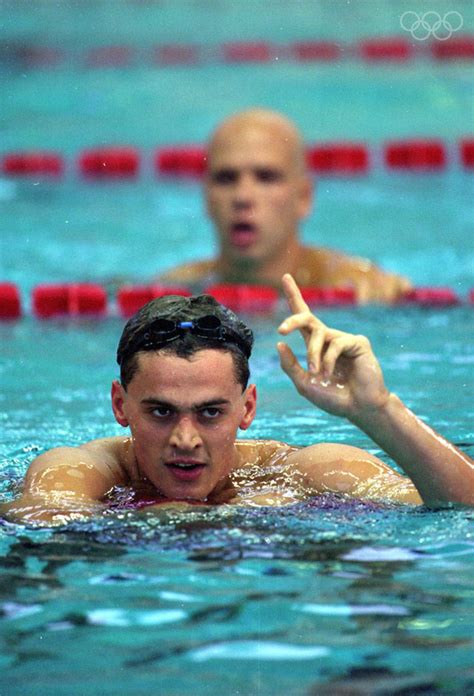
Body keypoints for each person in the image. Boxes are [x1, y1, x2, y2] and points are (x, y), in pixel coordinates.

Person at [2, 274, 472, 526]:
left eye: (210, 412)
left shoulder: (299, 471)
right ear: (120, 405)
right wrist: (221, 518)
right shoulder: (81, 470)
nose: (185, 439)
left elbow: (462, 509)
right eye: (161, 412)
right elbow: (42, 521)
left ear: (247, 407)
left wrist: (379, 412)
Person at [159, 109, 411, 303]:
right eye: (226, 178)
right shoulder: (178, 290)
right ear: (206, 198)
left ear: (304, 198)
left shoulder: (357, 286)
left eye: (266, 177)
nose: (242, 196)